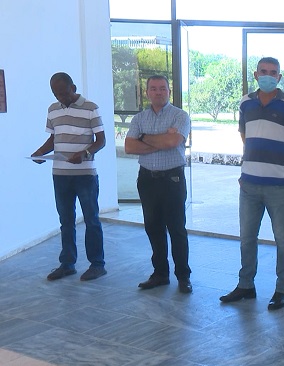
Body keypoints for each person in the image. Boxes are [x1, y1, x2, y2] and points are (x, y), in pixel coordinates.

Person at [219, 57, 284, 310]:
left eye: (273, 72)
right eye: (263, 72)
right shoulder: (245, 103)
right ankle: (246, 285)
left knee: (283, 240)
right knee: (247, 238)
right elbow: (244, 134)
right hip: (249, 185)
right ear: (256, 75)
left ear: (279, 77)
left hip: (279, 186)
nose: (268, 76)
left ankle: (281, 289)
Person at [31, 72, 107, 282]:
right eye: (56, 94)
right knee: (66, 221)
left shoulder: (91, 107)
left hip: (85, 175)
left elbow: (101, 140)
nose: (60, 98)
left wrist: (84, 154)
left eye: (63, 93)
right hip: (60, 175)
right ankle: (67, 264)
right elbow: (53, 139)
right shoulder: (53, 110)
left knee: (91, 220)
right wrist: (39, 153)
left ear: (73, 87)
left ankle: (97, 265)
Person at [124, 75, 192, 294]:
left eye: (162, 88)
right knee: (153, 228)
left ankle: (183, 276)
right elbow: (129, 147)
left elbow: (173, 142)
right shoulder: (139, 119)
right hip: (147, 180)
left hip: (172, 179)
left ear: (169, 91)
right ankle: (160, 274)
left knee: (176, 229)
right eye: (153, 89)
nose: (158, 92)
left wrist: (144, 138)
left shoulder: (180, 116)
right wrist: (160, 141)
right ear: (147, 93)